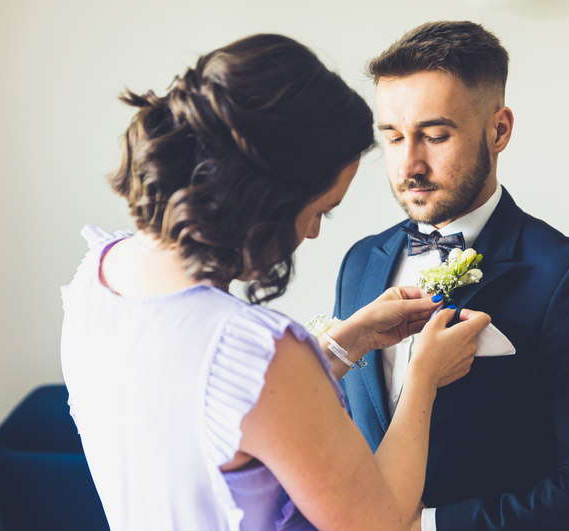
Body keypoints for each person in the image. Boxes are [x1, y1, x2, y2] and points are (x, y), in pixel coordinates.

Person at [60, 33, 491, 531]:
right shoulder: (254, 349)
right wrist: (423, 377)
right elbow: (383, 522)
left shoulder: (96, 278)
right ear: (271, 198)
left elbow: (223, 409)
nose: (312, 233)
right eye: (321, 211)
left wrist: (352, 339)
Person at [334, 21, 569, 530]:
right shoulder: (360, 262)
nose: (409, 164)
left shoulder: (568, 276)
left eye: (435, 136)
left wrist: (427, 526)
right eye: (392, 137)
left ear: (499, 130)